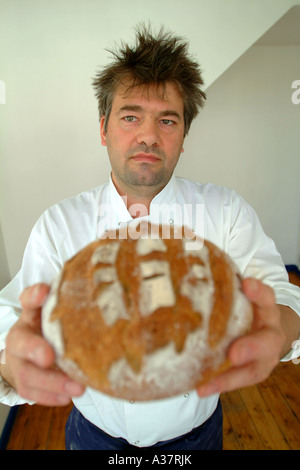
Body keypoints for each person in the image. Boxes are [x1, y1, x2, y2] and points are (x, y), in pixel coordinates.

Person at [0, 24, 299, 451]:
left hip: (195, 438)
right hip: (94, 437)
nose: (148, 136)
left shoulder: (226, 212)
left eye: (167, 120)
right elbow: (10, 319)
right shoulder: (60, 225)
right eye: (130, 116)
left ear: (183, 137)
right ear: (103, 129)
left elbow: (282, 296)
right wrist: (14, 364)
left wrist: (279, 330)